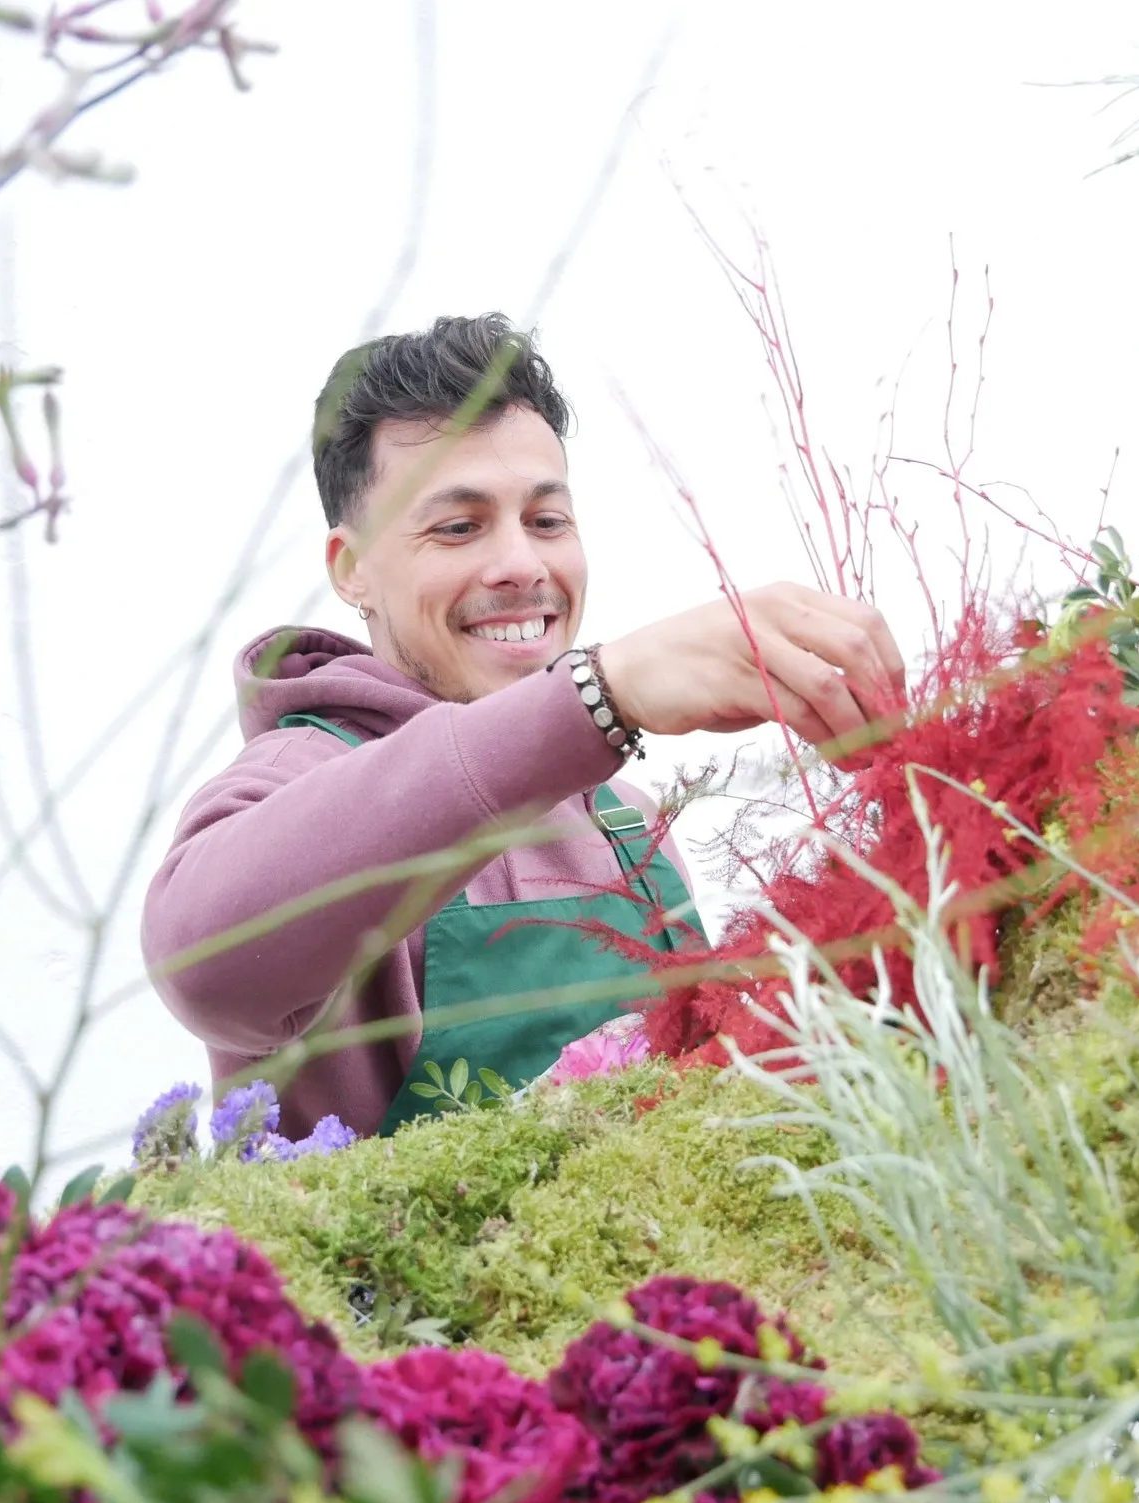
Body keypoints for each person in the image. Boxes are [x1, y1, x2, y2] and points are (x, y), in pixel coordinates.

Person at [141, 313, 904, 1139]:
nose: (522, 565)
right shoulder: (299, 772)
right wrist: (597, 697)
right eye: (458, 527)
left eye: (546, 520)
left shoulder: (623, 815)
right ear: (352, 568)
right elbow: (204, 961)